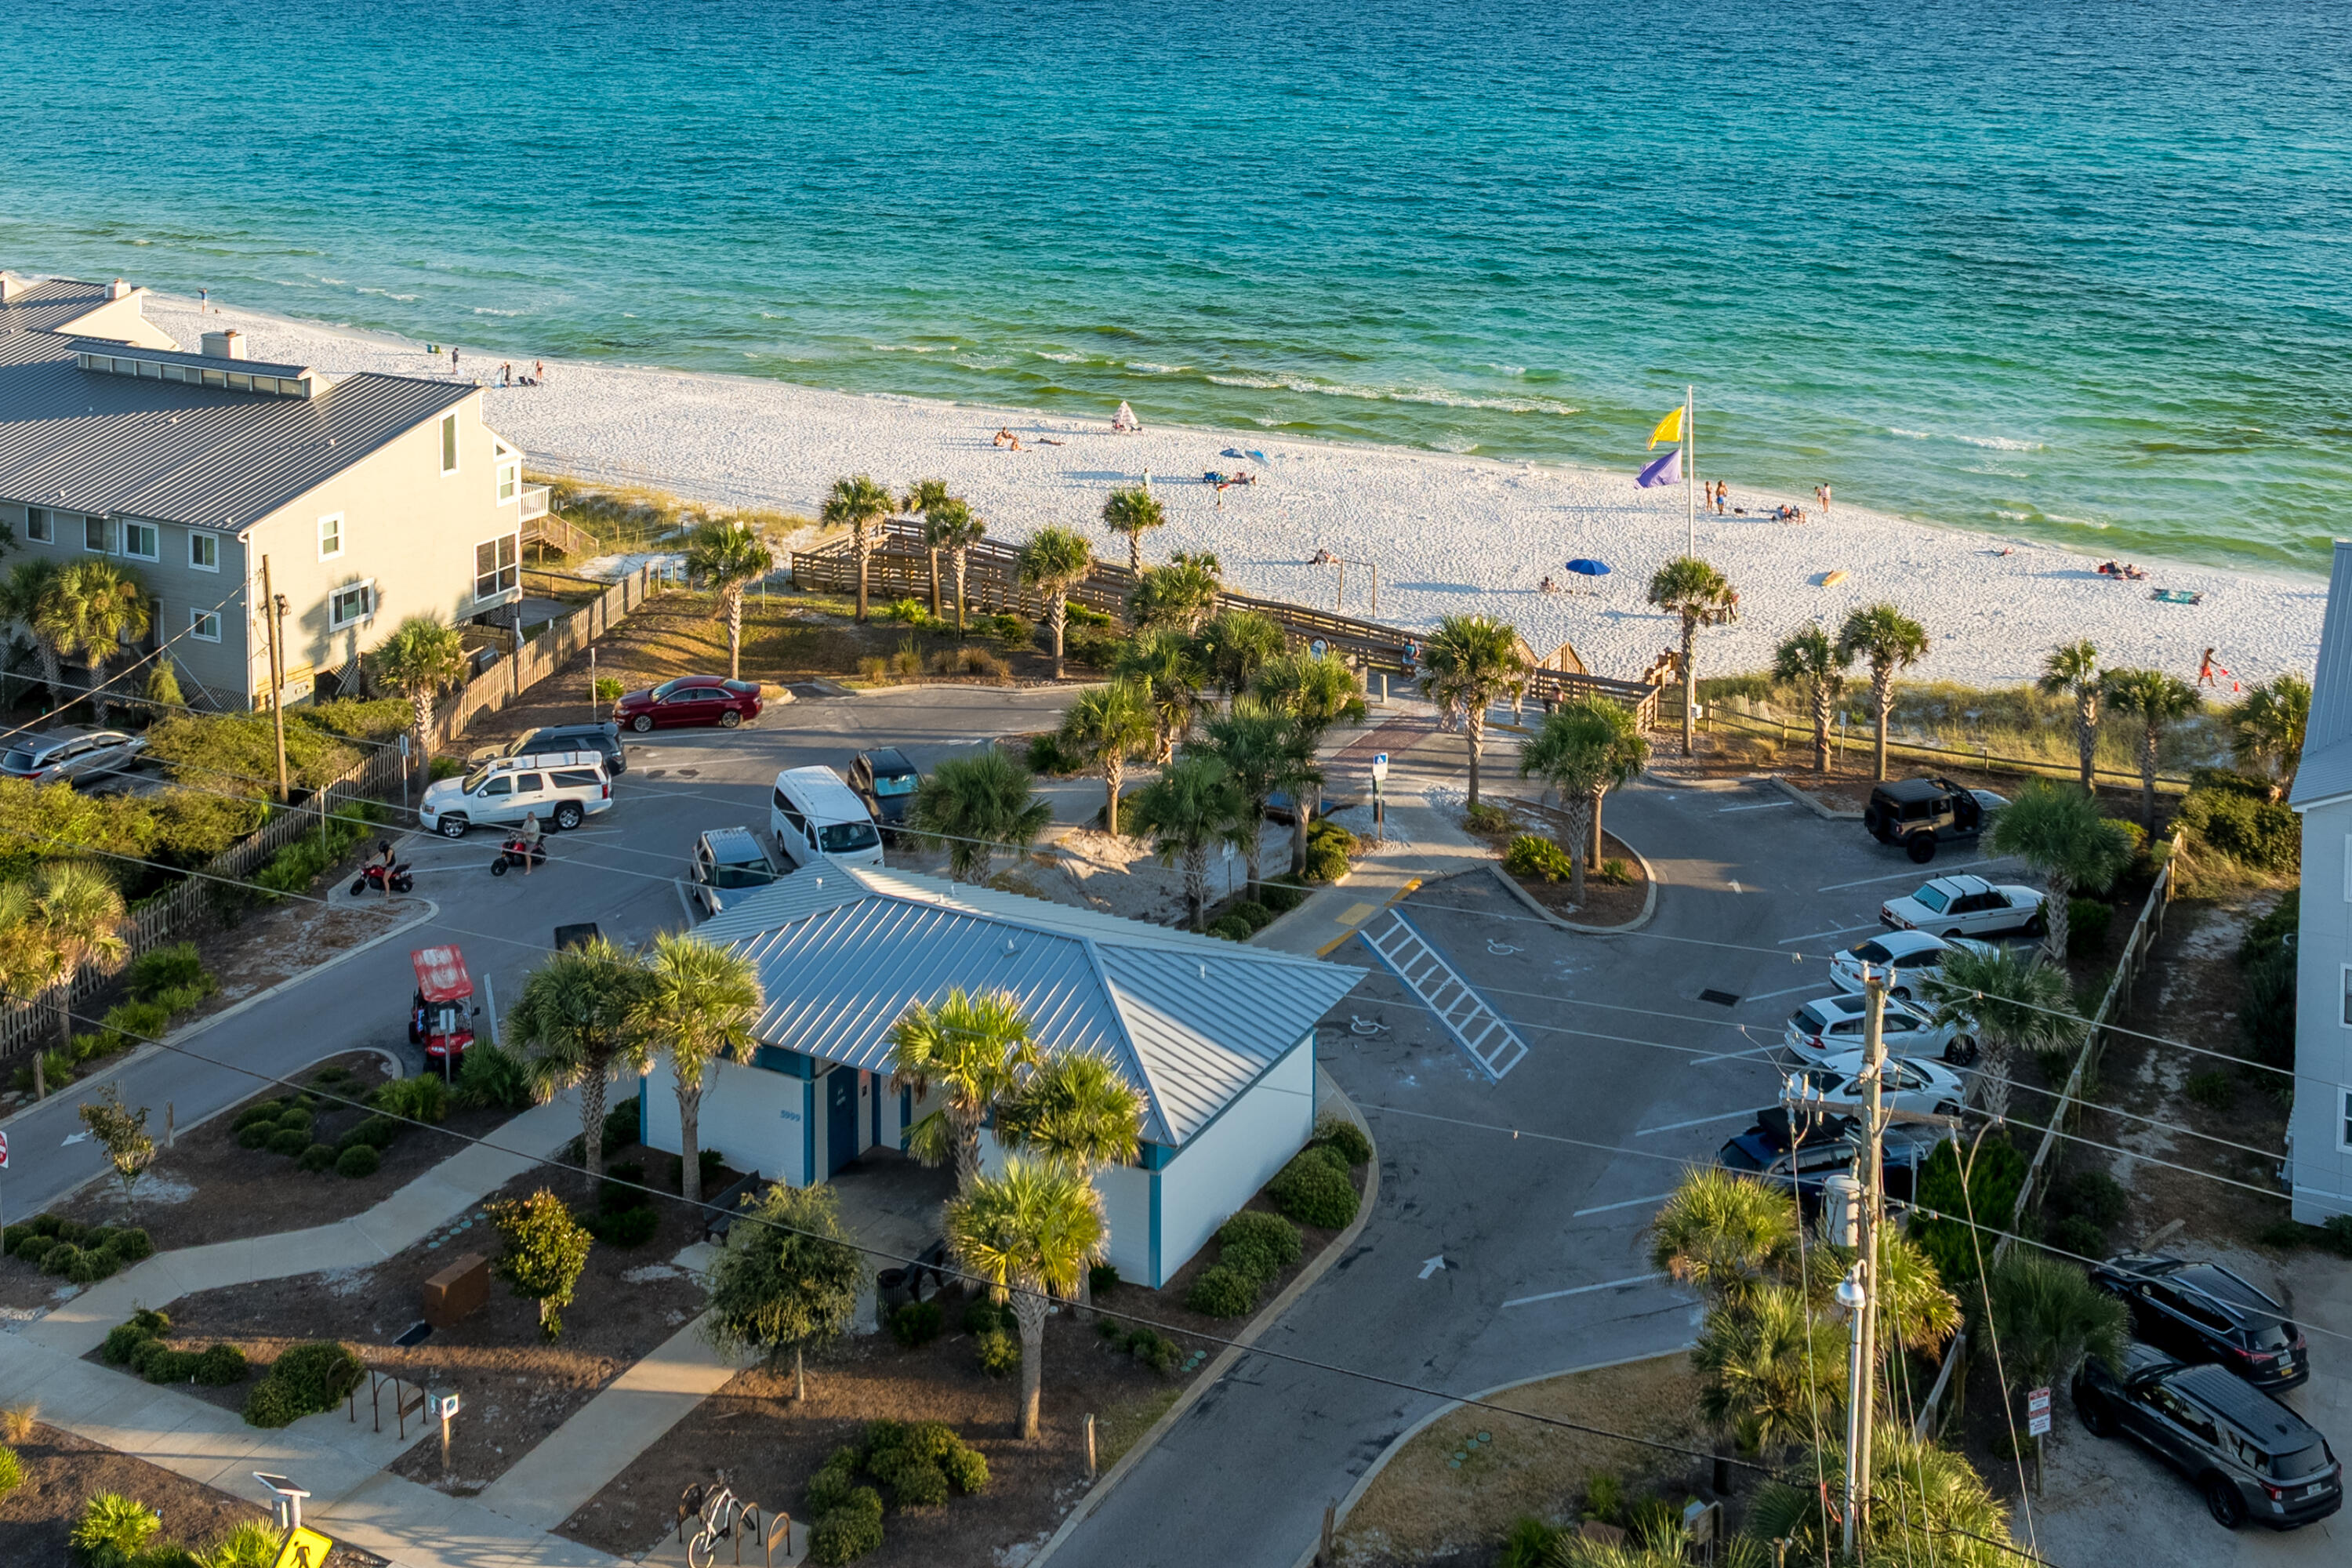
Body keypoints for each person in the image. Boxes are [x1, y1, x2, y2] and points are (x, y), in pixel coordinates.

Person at [517, 811, 543, 875]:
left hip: (532, 840)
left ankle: (528, 870)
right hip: (526, 838)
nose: (529, 818)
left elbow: (532, 833)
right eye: (528, 817)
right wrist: (519, 835)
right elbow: (523, 829)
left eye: (531, 817)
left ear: (534, 817)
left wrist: (526, 833)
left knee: (527, 854)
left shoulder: (535, 823)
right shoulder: (527, 821)